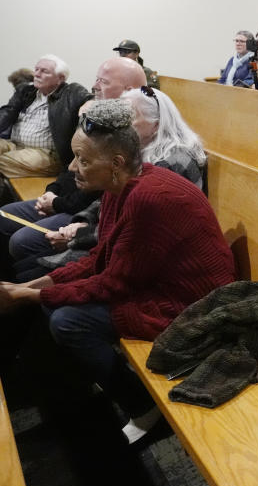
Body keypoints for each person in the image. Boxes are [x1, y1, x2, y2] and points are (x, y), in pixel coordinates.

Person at [0, 100, 236, 443]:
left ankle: (144, 407)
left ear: (116, 163)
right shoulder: (119, 186)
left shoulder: (148, 198)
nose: (72, 167)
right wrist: (33, 285)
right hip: (157, 282)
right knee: (47, 297)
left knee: (68, 321)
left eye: (83, 159)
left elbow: (114, 281)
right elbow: (99, 259)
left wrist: (27, 295)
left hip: (191, 303)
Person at [26, 88, 208, 280]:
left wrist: (80, 235)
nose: (121, 129)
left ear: (156, 125)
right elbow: (109, 197)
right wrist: (84, 221)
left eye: (129, 121)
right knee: (28, 262)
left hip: (145, 254)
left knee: (31, 269)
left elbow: (137, 228)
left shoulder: (173, 162)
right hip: (109, 234)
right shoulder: (137, 148)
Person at [0, 58, 143, 272]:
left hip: (80, 211)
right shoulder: (95, 113)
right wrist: (52, 191)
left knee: (22, 245)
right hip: (67, 199)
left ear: (128, 90)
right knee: (4, 216)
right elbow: (73, 165)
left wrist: (59, 205)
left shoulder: (129, 132)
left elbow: (99, 195)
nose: (94, 86)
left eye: (102, 81)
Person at [0, 55, 91, 177]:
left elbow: (90, 99)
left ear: (60, 78)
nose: (36, 74)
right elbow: (7, 112)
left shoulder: (71, 92)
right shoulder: (26, 91)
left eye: (44, 71)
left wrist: (90, 102)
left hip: (46, 154)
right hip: (14, 145)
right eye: (36, 69)